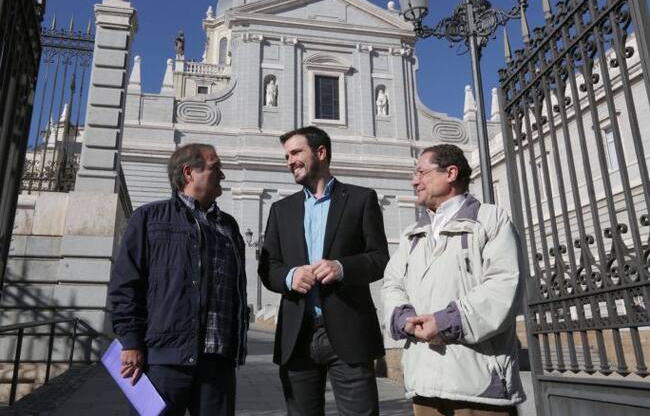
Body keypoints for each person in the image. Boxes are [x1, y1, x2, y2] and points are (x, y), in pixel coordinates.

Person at [382, 144, 524, 416]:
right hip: (424, 386)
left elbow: (504, 286)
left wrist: (446, 322)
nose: (414, 181)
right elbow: (392, 284)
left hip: (478, 387)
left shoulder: (490, 220)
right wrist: (403, 317)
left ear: (450, 173)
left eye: (421, 172)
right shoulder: (413, 235)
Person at [109, 143, 248, 416]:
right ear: (188, 173)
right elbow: (126, 284)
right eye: (215, 168)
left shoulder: (229, 227)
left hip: (217, 363)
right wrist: (131, 341)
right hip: (162, 361)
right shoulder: (149, 218)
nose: (222, 175)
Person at [258, 126, 389, 416]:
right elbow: (269, 268)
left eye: (295, 152)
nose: (289, 161)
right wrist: (291, 277)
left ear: (321, 152)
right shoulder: (281, 210)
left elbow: (379, 259)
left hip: (350, 334)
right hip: (298, 337)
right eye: (286, 156)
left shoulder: (361, 199)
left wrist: (342, 267)